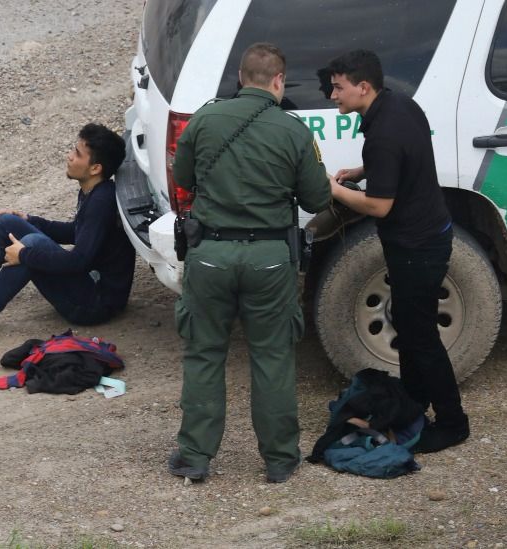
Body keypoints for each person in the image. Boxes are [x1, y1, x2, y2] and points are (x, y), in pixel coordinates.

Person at [167, 43, 331, 483]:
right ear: (279, 81)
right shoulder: (293, 130)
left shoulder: (203, 119)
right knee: (272, 358)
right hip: (270, 261)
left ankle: (195, 457)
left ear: (241, 78)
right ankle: (279, 461)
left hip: (211, 257)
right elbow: (318, 198)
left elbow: (182, 179)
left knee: (203, 356)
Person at [321, 49, 470, 453]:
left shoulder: (382, 135)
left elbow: (378, 207)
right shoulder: (401, 105)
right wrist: (360, 172)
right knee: (408, 325)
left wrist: (334, 189)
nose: (333, 95)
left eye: (338, 87)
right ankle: (414, 402)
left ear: (363, 87)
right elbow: (403, 155)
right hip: (430, 233)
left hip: (416, 246)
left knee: (421, 337)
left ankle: (454, 422)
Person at [0, 123, 133, 346]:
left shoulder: (101, 202)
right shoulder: (94, 190)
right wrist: (29, 220)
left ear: (95, 168)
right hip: (87, 285)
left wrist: (25, 255)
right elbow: (76, 232)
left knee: (31, 244)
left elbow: (79, 260)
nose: (69, 156)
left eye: (77, 154)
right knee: (7, 223)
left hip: (95, 305)